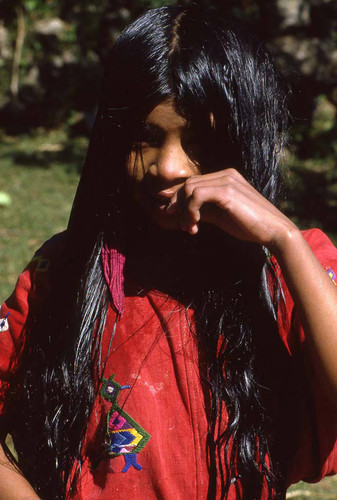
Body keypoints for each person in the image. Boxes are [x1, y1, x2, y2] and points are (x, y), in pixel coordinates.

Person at [0, 5, 337, 500]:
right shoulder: (65, 273)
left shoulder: (292, 270)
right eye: (145, 138)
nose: (169, 167)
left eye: (199, 139)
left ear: (243, 140)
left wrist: (283, 238)